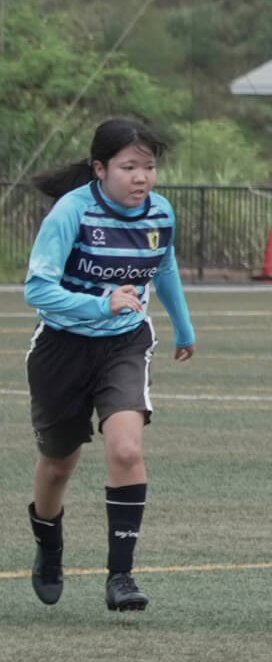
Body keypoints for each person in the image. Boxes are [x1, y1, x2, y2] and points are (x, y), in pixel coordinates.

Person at [23, 117, 197, 612]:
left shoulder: (160, 212)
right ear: (99, 169)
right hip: (61, 348)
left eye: (149, 167)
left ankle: (121, 576)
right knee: (58, 464)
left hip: (124, 344)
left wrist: (184, 326)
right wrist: (101, 303)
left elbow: (164, 266)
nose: (141, 178)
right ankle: (49, 547)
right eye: (128, 167)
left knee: (125, 450)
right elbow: (38, 289)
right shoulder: (71, 212)